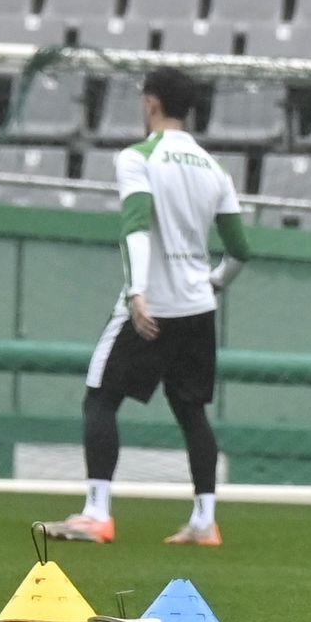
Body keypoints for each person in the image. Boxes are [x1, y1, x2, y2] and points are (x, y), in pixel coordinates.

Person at [41, 67, 251, 547]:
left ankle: (97, 513)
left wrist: (138, 291)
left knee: (100, 398)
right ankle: (205, 520)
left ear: (151, 103)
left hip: (153, 305)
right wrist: (214, 282)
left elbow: (135, 225)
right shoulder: (214, 169)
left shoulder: (138, 158)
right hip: (197, 307)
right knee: (191, 410)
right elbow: (240, 250)